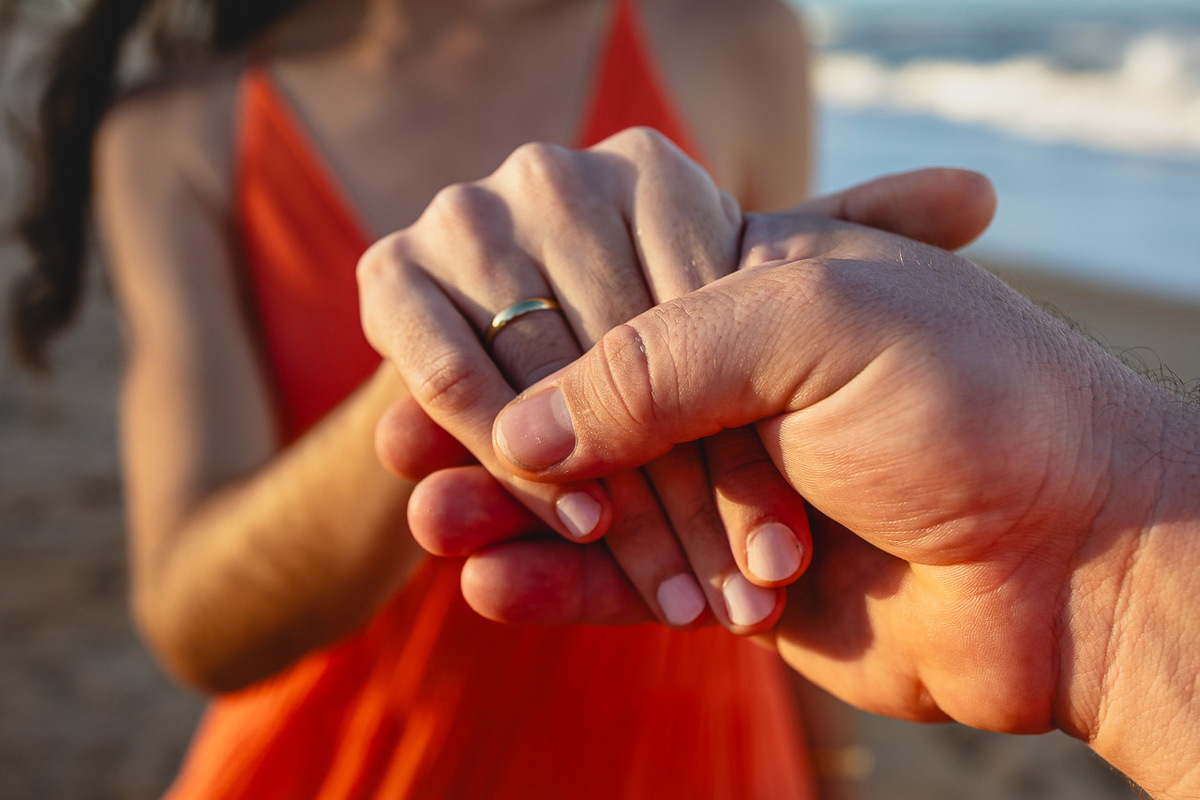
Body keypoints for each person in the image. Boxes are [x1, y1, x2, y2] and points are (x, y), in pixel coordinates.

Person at [7, 0, 861, 796]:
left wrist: (829, 761)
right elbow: (195, 620)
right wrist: (436, 362)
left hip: (705, 742)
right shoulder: (177, 133)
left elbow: (777, 477)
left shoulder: (736, 41)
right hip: (360, 755)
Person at [359, 132, 1200, 799]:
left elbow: (741, 388)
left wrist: (1101, 566)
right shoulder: (223, 93)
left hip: (729, 693)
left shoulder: (738, 32)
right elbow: (219, 630)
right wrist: (456, 361)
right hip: (362, 739)